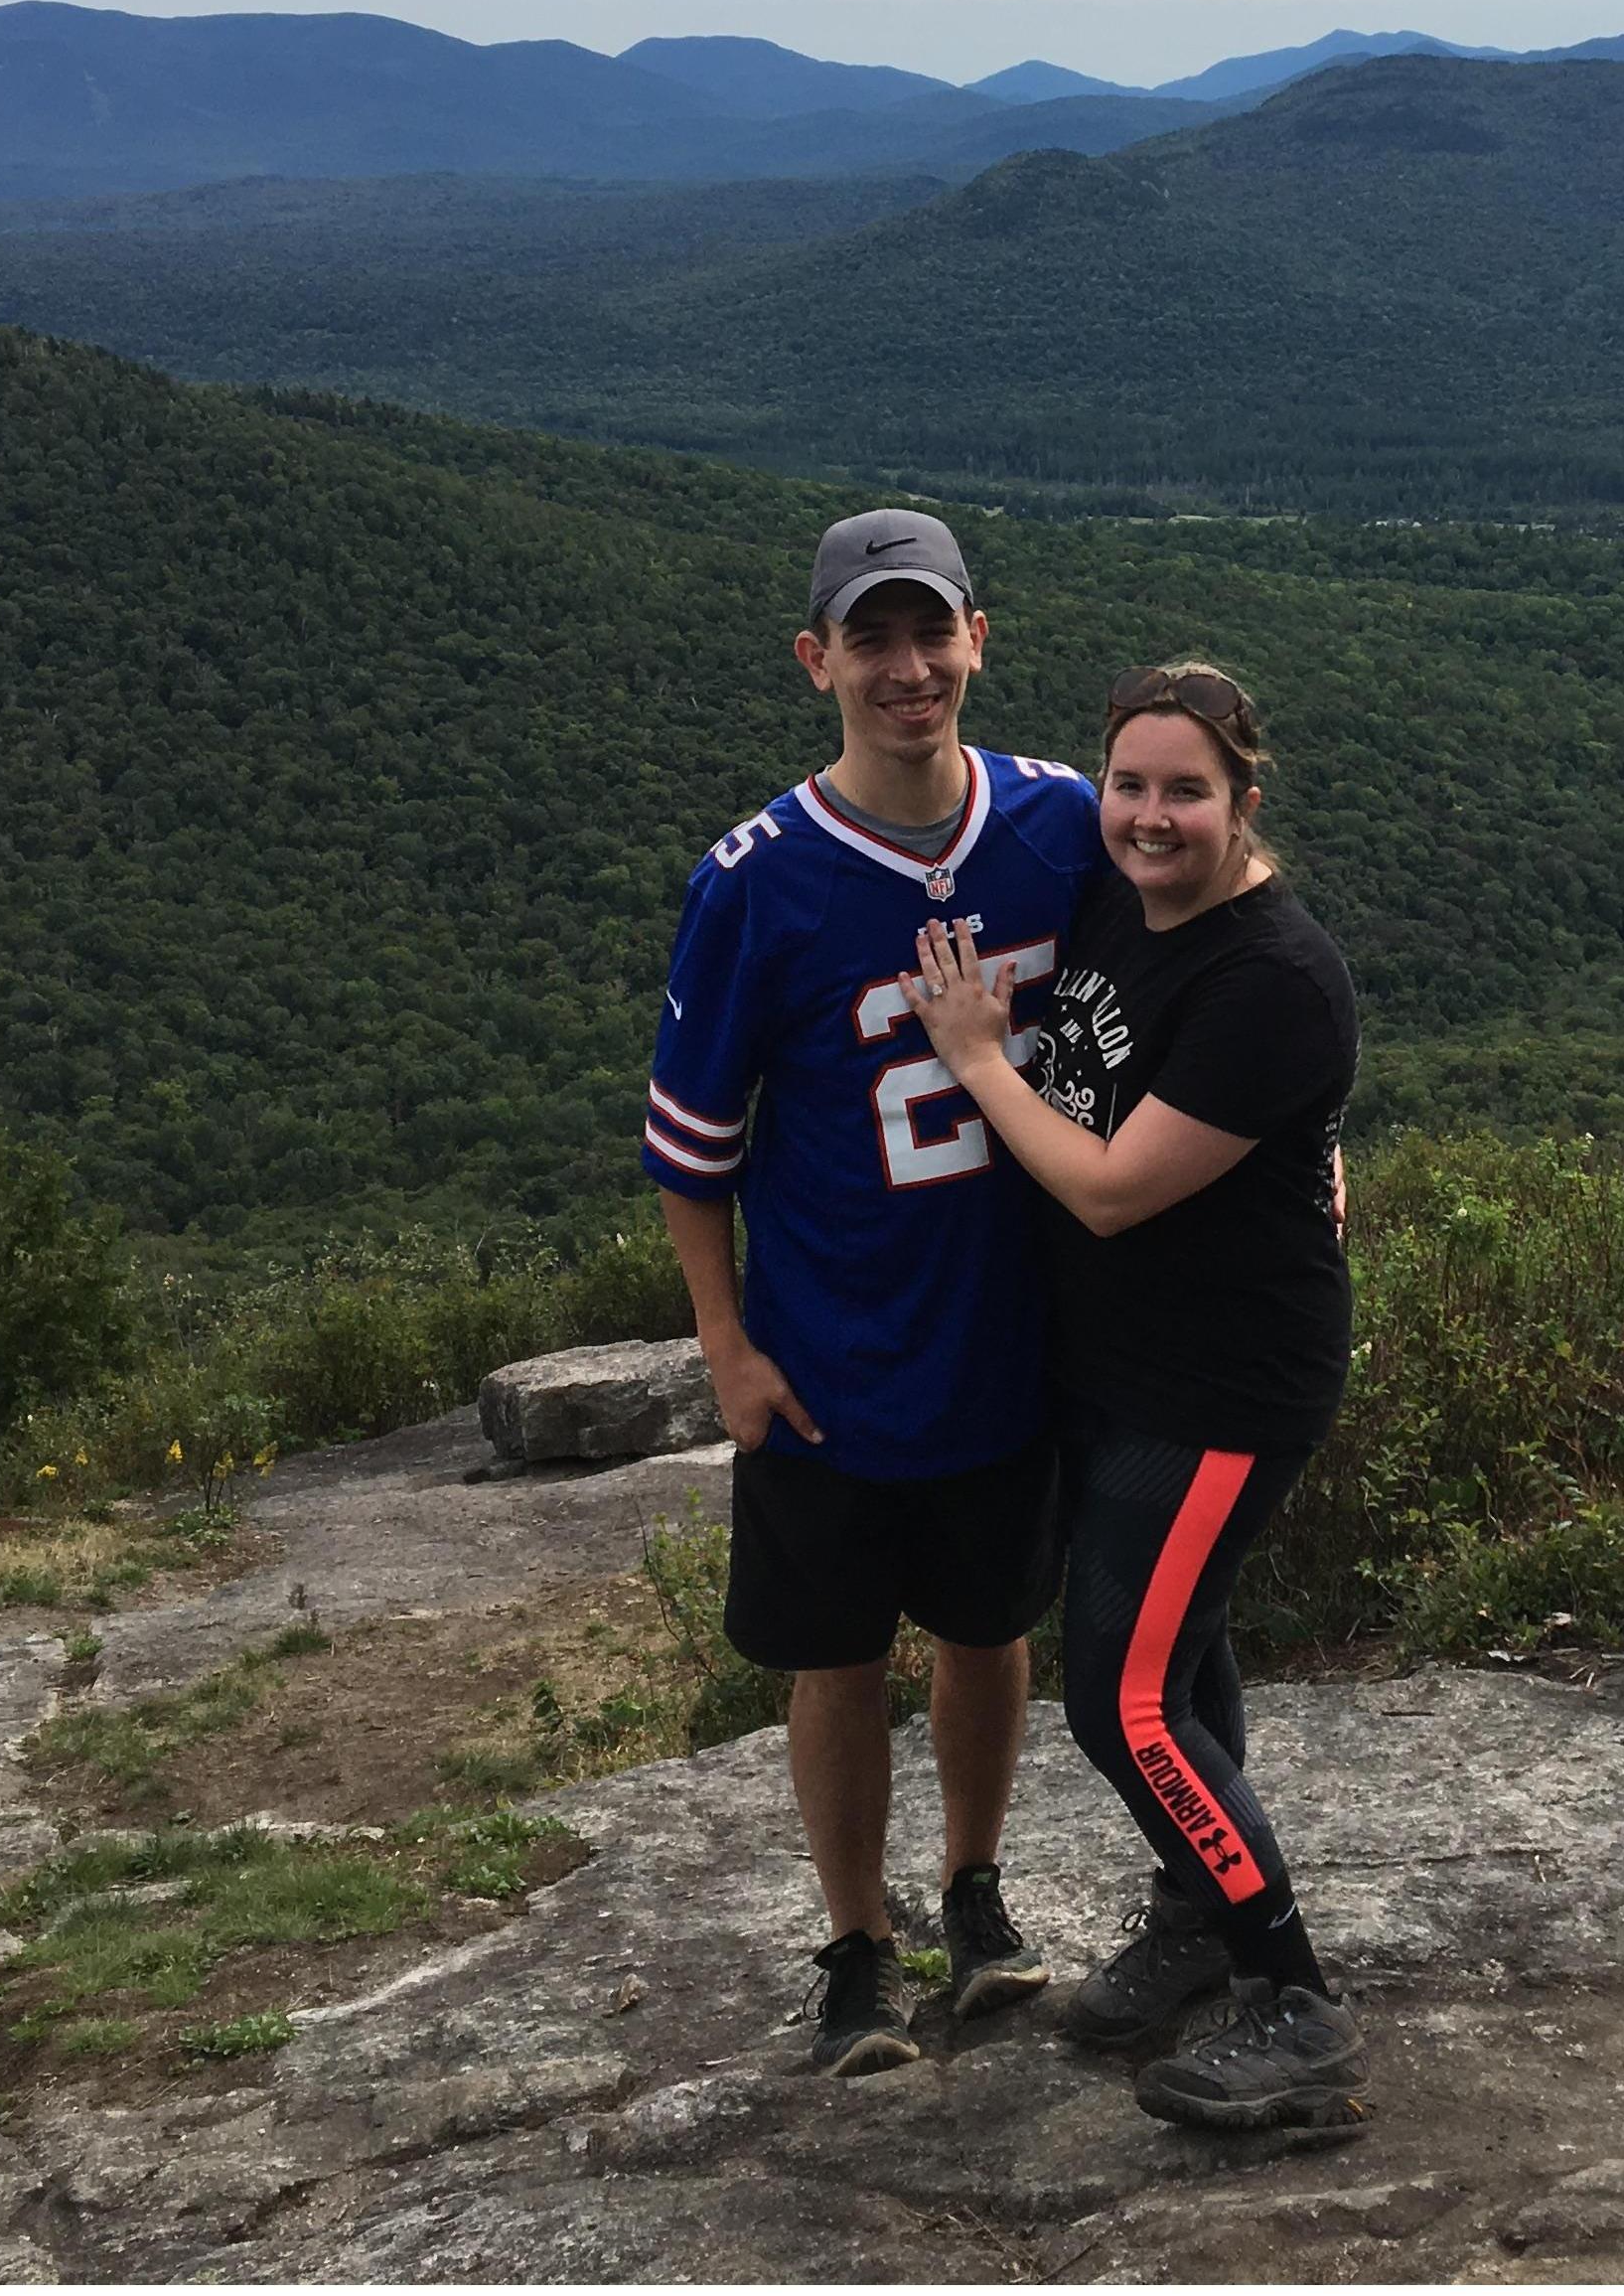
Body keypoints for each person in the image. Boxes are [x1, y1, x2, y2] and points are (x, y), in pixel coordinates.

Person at [649, 507, 1104, 2076]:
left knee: (988, 1627)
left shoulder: (1059, 820)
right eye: (872, 638)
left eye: (933, 632)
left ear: (982, 634)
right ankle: (855, 1945)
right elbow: (688, 1147)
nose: (907, 668)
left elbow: (1222, 947)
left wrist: (1298, 1129)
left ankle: (976, 1895)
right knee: (833, 1653)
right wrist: (725, 1345)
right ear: (816, 658)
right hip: (829, 1350)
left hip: (1007, 1337)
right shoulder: (757, 880)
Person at [911, 659, 1368, 2138]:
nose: (1150, 815)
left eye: (1187, 790)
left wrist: (976, 1057)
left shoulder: (1270, 977)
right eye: (1130, 784)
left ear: (1246, 797)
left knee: (1122, 1697)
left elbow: (1108, 1189)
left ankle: (1292, 1998)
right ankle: (1196, 1918)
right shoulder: (1125, 896)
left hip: (1222, 1390)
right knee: (1184, 1652)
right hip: (1120, 1369)